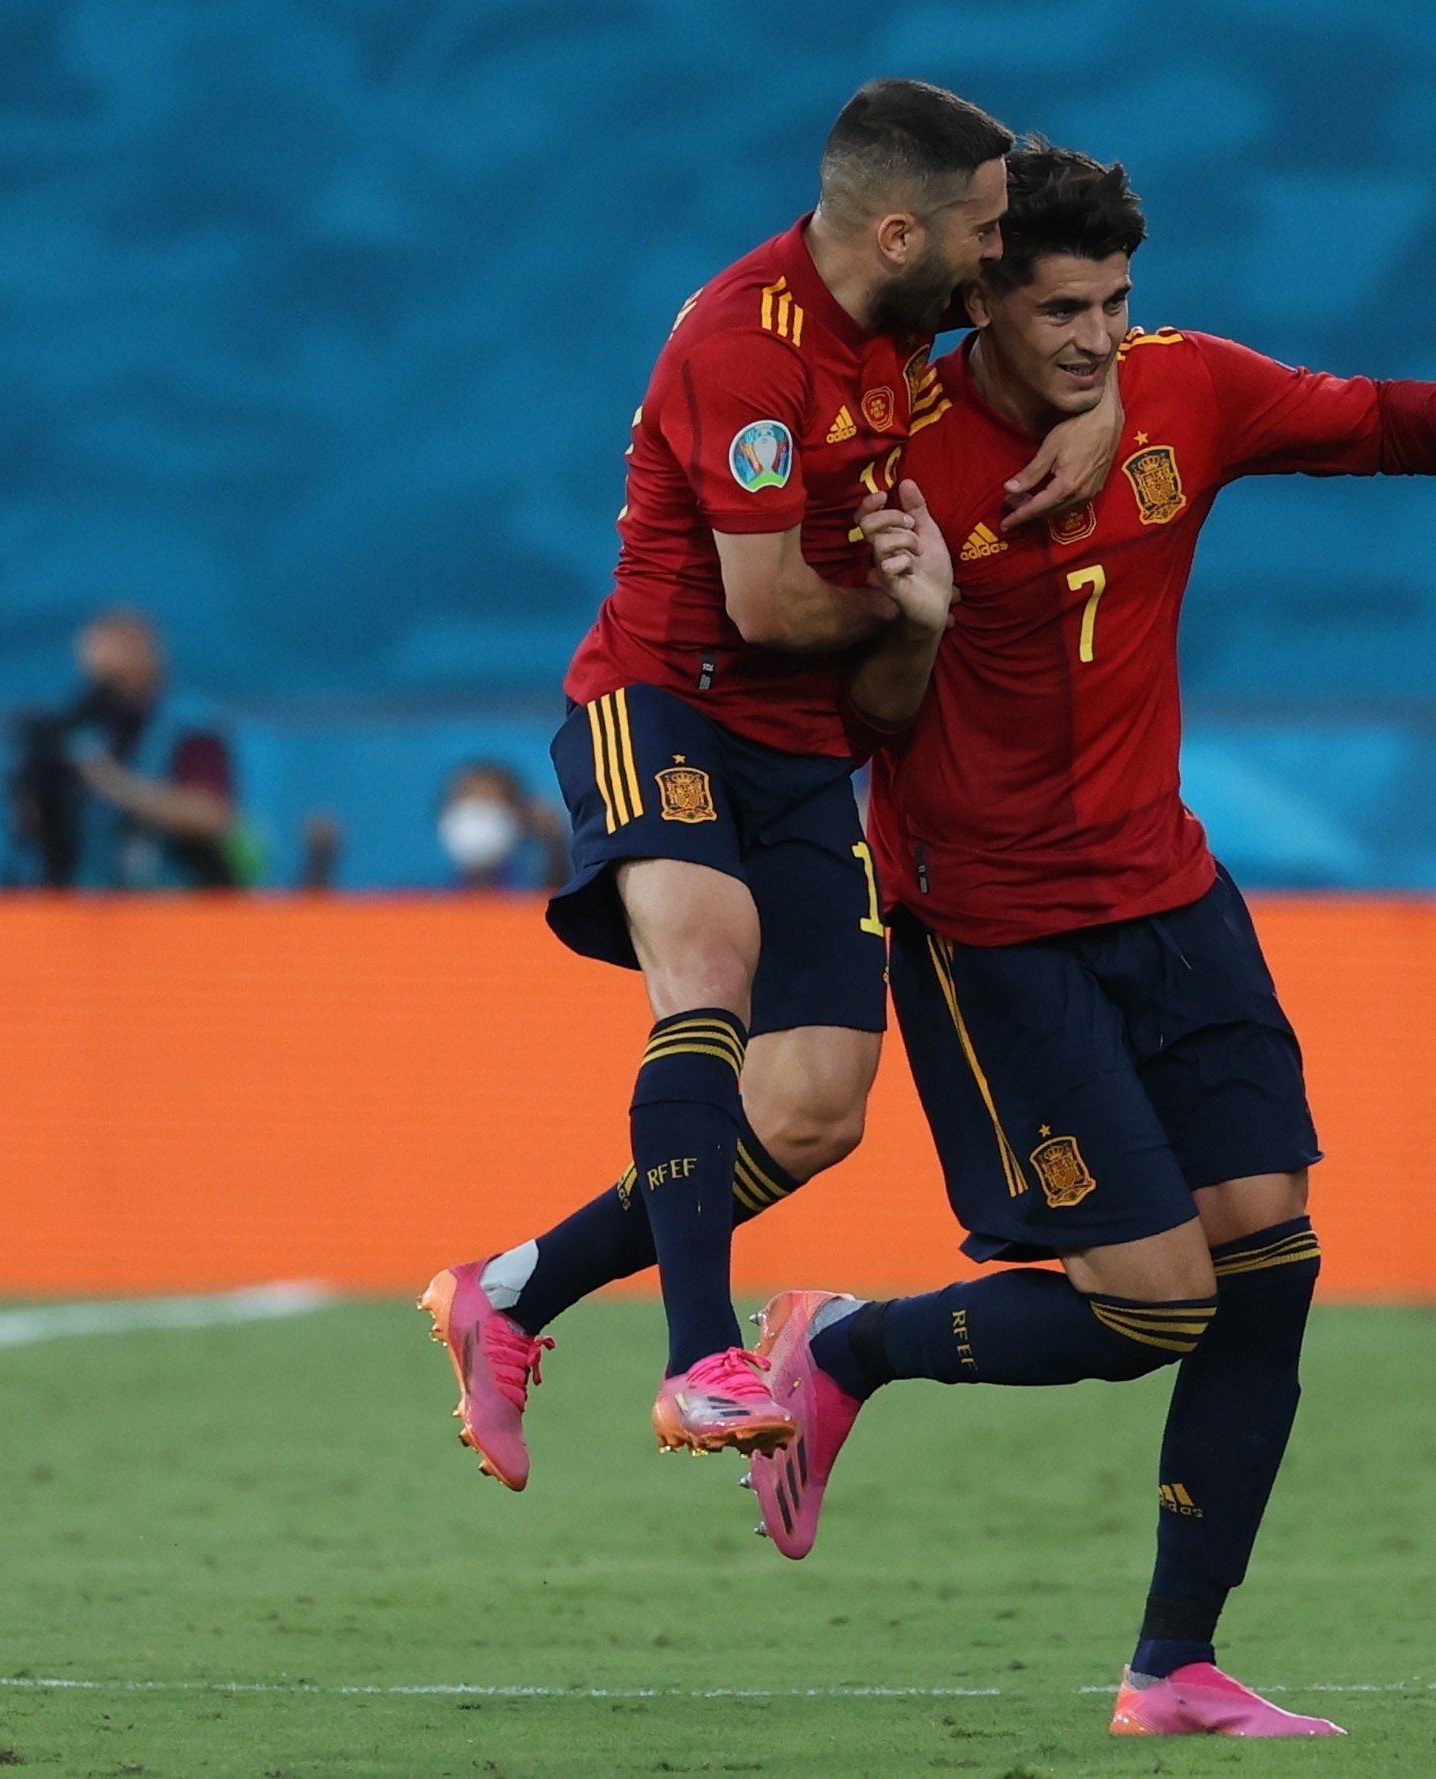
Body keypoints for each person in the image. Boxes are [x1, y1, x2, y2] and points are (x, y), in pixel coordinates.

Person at [737, 143, 1436, 1738]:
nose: (1099, 336)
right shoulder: (895, 452)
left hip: (1173, 902)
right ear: (977, 299)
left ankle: (1169, 1663)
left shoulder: (1183, 392)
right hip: (995, 932)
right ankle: (849, 1342)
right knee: (1150, 1304)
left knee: (1273, 1252)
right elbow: (850, 711)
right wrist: (914, 614)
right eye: (1063, 310)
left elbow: (1368, 421)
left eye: (1117, 303)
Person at [418, 79, 1125, 1490]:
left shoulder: (903, 317)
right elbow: (767, 606)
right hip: (662, 694)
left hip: (805, 745)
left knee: (814, 1106)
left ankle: (510, 1290)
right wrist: (910, 604)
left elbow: (1090, 340)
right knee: (713, 958)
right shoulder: (751, 345)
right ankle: (696, 1357)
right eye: (984, 233)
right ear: (905, 228)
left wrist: (1105, 413)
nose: (1001, 257)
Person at [0, 608, 248, 891]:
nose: (105, 688)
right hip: (93, 904)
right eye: (97, 677)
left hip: (175, 900)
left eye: (116, 677)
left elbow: (211, 815)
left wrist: (113, 782)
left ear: (147, 660)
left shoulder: (191, 725)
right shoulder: (88, 723)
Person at [435, 761, 569, 891]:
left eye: (490, 802)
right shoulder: (429, 897)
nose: (479, 815)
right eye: (468, 801)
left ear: (517, 816)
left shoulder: (534, 890)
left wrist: (555, 845)